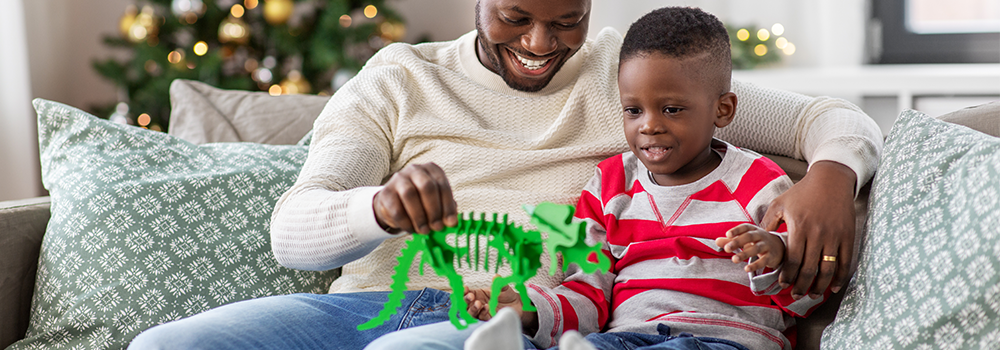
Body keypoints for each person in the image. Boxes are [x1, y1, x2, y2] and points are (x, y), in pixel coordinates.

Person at [129, 0, 881, 349]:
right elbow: (292, 234)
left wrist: (830, 179)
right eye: (516, 17)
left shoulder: (630, 77)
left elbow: (832, 119)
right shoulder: (398, 78)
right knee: (162, 349)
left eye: (566, 20)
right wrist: (379, 209)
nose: (541, 43)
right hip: (365, 307)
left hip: (506, 321)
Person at [444, 7, 824, 350]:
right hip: (626, 339)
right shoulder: (610, 185)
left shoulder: (759, 183)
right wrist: (529, 310)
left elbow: (808, 298)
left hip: (723, 340)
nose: (649, 126)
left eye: (671, 109)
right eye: (633, 110)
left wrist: (776, 257)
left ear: (722, 110)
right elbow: (587, 294)